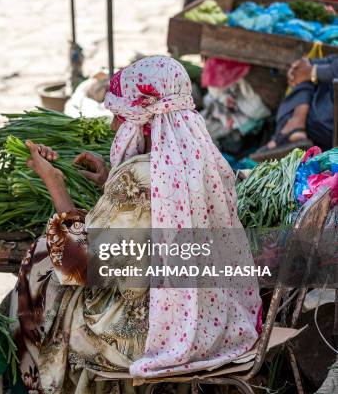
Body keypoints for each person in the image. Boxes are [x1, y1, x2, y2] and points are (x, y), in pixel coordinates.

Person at [14, 56, 262, 393]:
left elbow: (79, 267)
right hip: (211, 323)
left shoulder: (138, 177)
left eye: (120, 117)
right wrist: (109, 181)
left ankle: (39, 383)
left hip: (150, 335)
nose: (115, 127)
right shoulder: (205, 160)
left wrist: (55, 182)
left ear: (145, 123)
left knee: (40, 265)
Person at [252, 55, 337, 161]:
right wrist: (302, 67)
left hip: (328, 123)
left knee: (306, 80)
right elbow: (333, 60)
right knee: (303, 76)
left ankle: (288, 130)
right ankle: (294, 127)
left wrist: (312, 71)